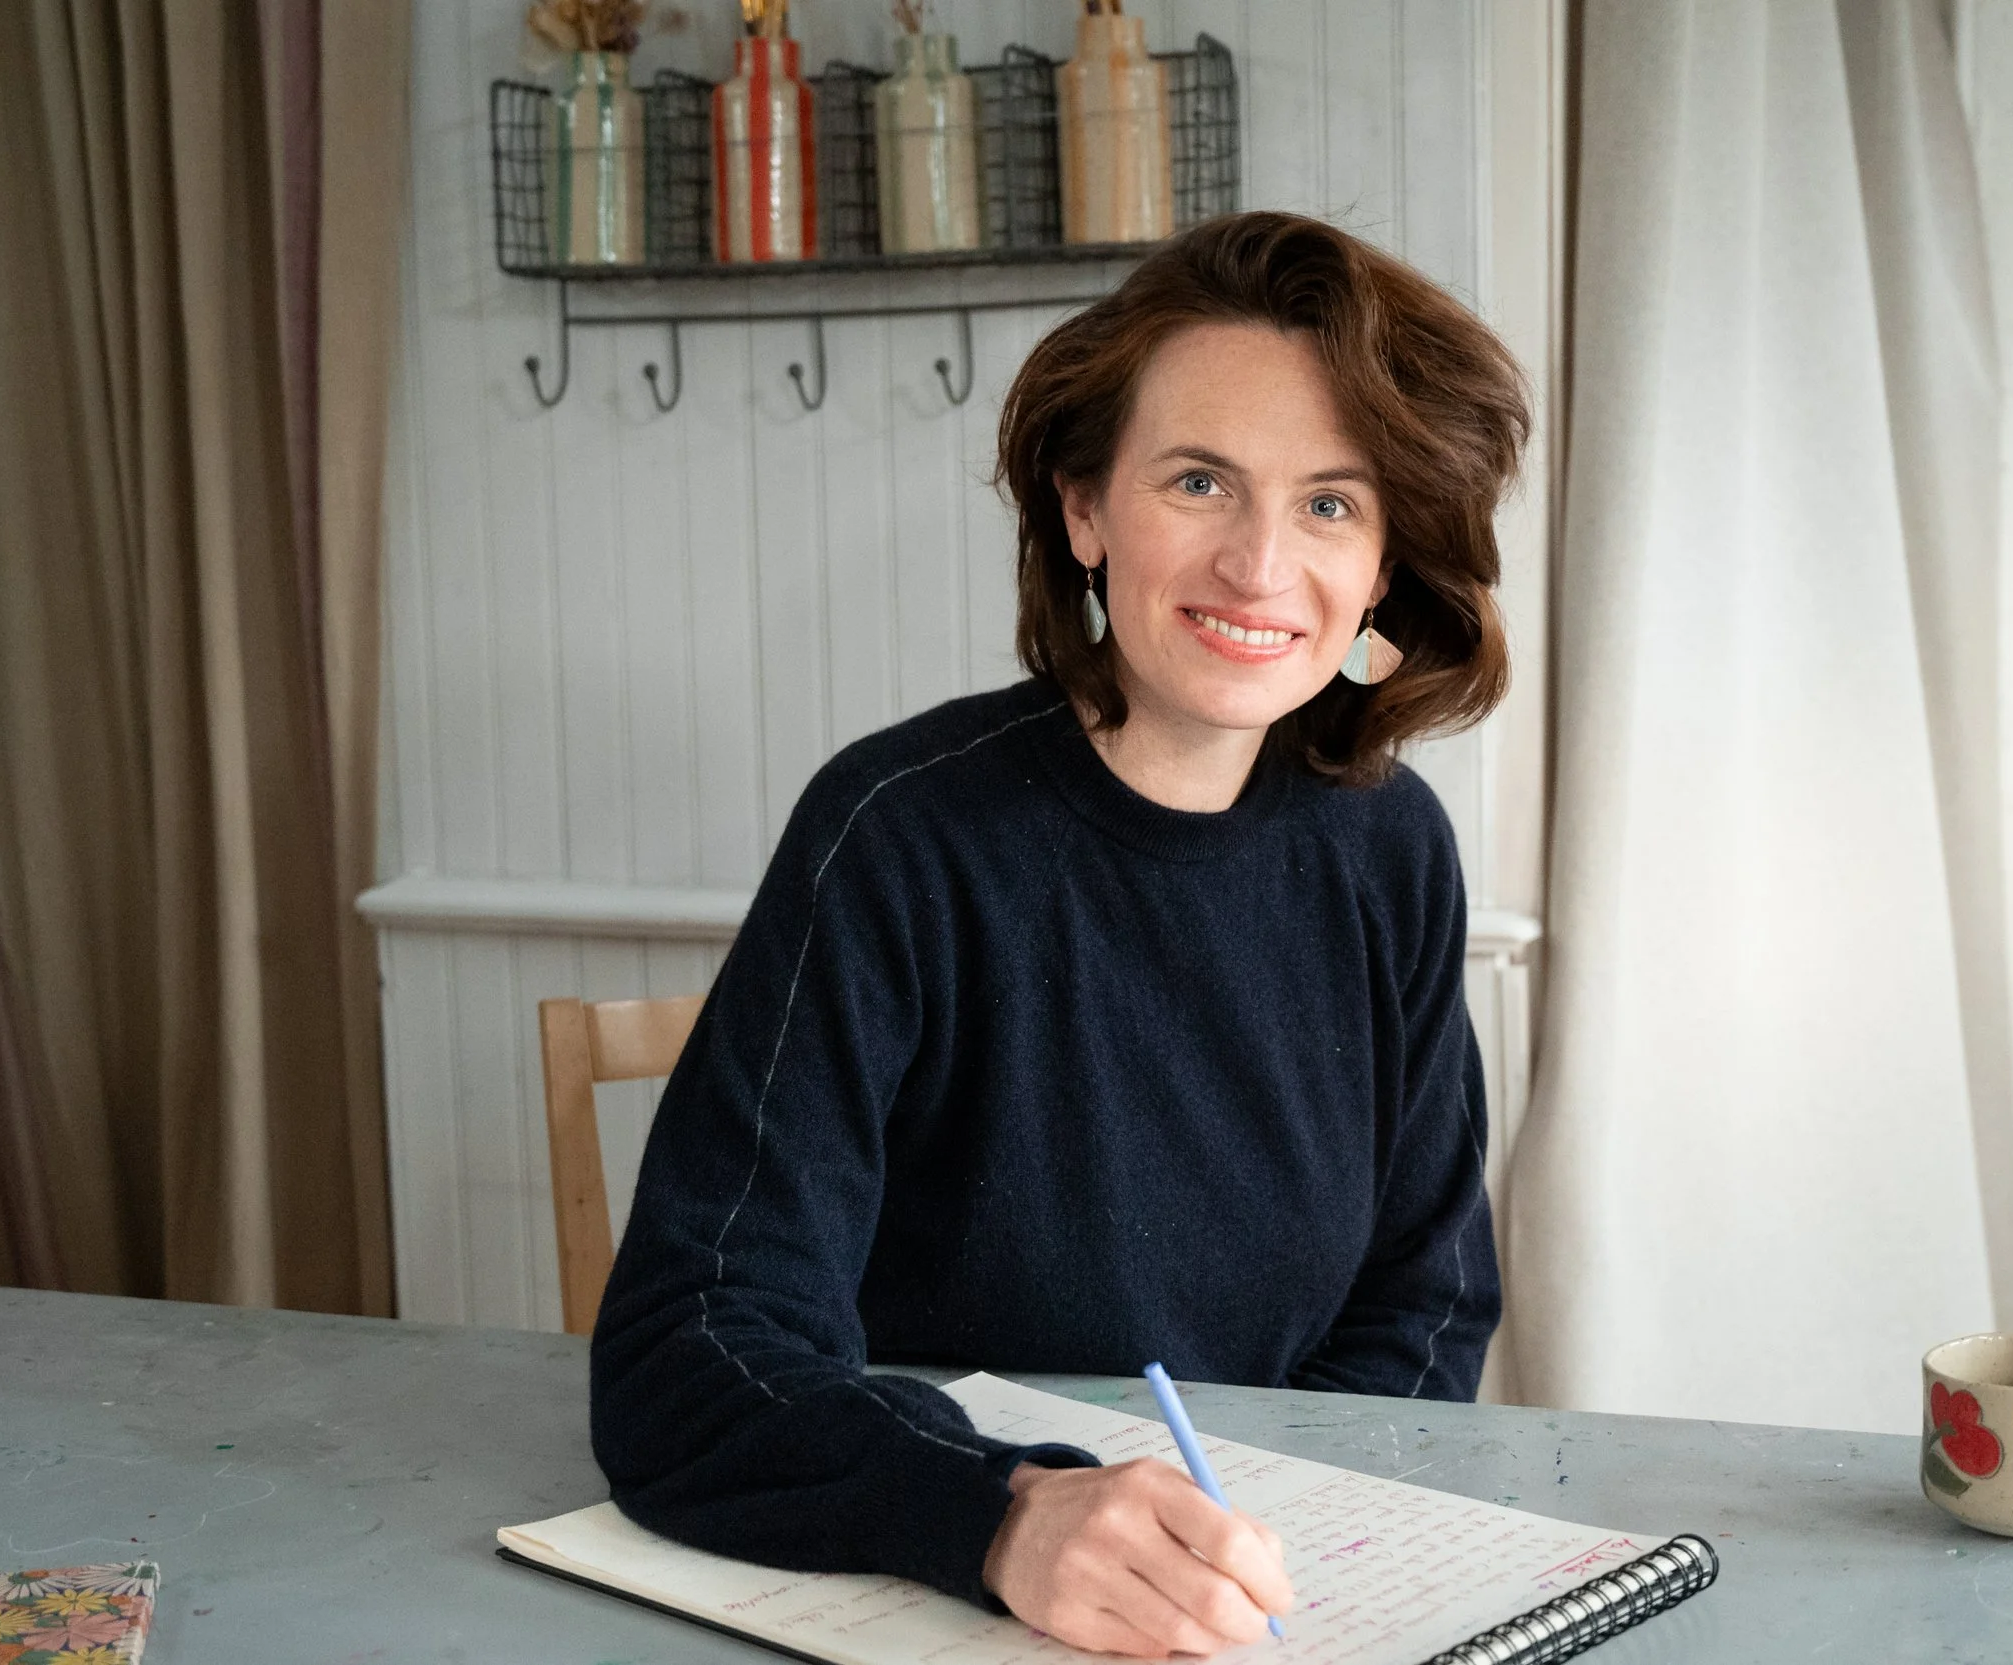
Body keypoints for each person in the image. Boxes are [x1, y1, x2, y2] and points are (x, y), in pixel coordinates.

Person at [590, 209, 1531, 1659]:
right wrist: (999, 1514)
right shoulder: (897, 833)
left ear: (1386, 557)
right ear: (1085, 510)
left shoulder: (1391, 846)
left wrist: (1260, 1540)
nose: (1260, 565)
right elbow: (689, 1348)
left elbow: (1429, 1301)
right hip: (950, 1592)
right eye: (1200, 481)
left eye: (1331, 504)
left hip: (1256, 1603)